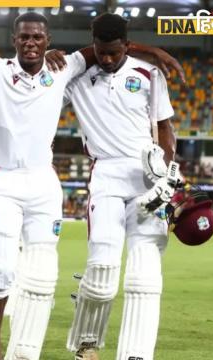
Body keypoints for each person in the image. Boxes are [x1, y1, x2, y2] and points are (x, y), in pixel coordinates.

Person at [0, 11, 184, 360]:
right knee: (3, 272)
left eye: (37, 37)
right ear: (14, 39)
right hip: (6, 178)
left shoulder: (64, 69)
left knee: (42, 278)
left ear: (48, 41)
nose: (30, 43)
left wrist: (152, 52)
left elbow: (102, 48)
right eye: (24, 37)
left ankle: (25, 353)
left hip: (46, 181)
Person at [58, 13, 176, 360]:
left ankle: (135, 354)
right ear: (93, 46)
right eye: (101, 52)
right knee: (103, 271)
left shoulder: (148, 74)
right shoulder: (77, 78)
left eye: (115, 52)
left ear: (127, 45)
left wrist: (168, 173)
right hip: (106, 176)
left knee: (145, 276)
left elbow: (165, 127)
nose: (107, 59)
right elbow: (47, 79)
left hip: (148, 178)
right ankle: (86, 345)